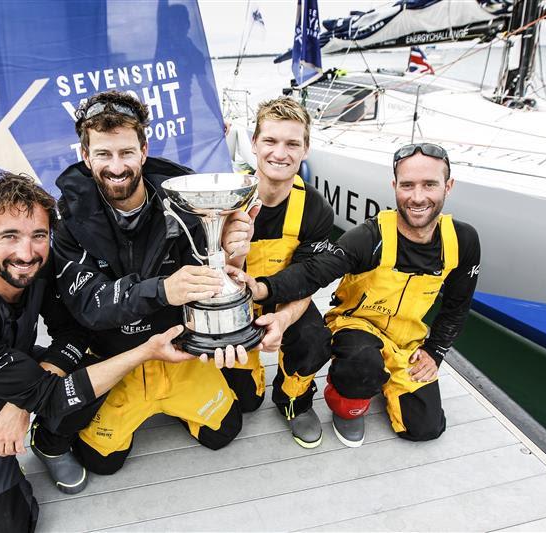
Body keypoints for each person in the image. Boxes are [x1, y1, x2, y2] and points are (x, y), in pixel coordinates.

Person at [0, 173, 194, 533]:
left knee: (95, 359)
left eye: (38, 236)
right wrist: (146, 351)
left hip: (18, 366)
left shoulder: (41, 264)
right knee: (10, 526)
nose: (26, 253)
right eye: (9, 236)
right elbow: (52, 395)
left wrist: (19, 404)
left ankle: (49, 444)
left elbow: (73, 330)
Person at [52, 90, 279, 475]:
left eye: (126, 152)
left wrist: (231, 250)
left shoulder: (187, 195)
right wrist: (162, 289)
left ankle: (183, 393)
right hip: (119, 357)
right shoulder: (68, 220)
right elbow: (88, 305)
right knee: (102, 462)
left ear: (143, 150)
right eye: (104, 155)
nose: (116, 166)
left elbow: (214, 280)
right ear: (85, 156)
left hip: (179, 349)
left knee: (225, 430)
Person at [232, 143, 481, 447]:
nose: (417, 197)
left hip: (407, 340)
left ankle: (384, 376)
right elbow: (315, 271)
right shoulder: (369, 237)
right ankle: (345, 403)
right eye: (407, 185)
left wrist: (436, 350)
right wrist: (263, 288)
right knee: (362, 363)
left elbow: (457, 305)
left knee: (425, 428)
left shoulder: (464, 240)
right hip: (356, 326)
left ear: (448, 186)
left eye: (429, 184)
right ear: (395, 187)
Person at [219, 97, 334, 448]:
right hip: (230, 300)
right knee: (246, 401)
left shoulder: (315, 207)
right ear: (254, 143)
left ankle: (294, 399)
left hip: (281, 295)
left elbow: (308, 279)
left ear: (305, 148)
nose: (280, 153)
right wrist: (232, 255)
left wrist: (282, 321)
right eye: (270, 141)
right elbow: (209, 277)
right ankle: (248, 377)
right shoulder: (224, 196)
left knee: (315, 337)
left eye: (292, 143)